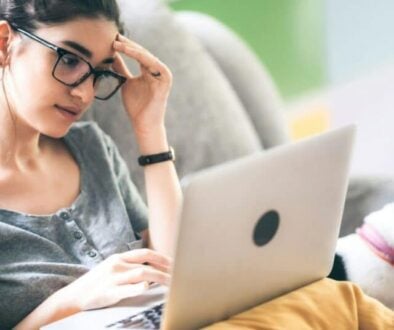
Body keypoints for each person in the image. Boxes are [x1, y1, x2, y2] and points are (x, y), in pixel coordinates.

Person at [0, 1, 392, 330]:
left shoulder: (90, 148)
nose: (84, 91)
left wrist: (149, 126)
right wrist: (74, 298)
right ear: (4, 43)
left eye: (100, 71)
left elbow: (172, 262)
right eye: (69, 60)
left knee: (331, 296)